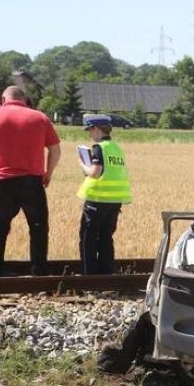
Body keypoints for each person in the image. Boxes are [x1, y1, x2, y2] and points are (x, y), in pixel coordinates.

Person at [0, 85, 61, 276]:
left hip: (0, 182)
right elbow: (55, 150)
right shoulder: (40, 117)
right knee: (38, 227)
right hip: (32, 182)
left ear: (3, 99)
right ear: (25, 100)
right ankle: (39, 271)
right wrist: (48, 173)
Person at [77, 114, 132, 275]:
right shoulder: (117, 148)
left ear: (97, 129)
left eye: (90, 130)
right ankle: (106, 274)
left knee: (88, 238)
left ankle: (89, 276)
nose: (89, 134)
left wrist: (82, 164)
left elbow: (95, 173)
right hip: (115, 201)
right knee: (106, 238)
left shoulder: (99, 148)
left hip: (97, 200)